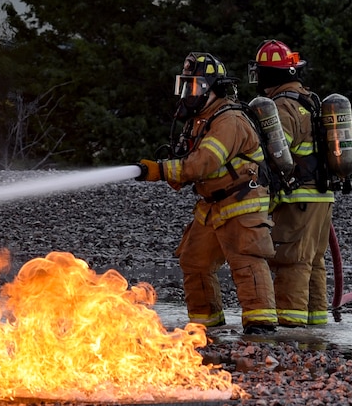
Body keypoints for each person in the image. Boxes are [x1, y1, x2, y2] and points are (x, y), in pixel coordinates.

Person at [138, 52, 278, 336]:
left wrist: (161, 171)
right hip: (213, 203)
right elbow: (190, 161)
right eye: (183, 86)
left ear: (210, 88)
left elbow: (204, 162)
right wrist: (171, 170)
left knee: (246, 259)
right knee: (194, 259)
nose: (186, 94)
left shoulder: (229, 120)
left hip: (242, 201)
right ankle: (206, 324)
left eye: (192, 86)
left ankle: (261, 327)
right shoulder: (200, 119)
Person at [251, 40, 335, 331]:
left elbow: (276, 155)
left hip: (297, 196)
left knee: (292, 260)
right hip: (322, 197)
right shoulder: (310, 100)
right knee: (314, 260)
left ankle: (291, 326)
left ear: (268, 75)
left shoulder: (282, 107)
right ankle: (316, 323)